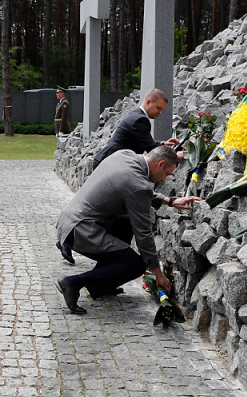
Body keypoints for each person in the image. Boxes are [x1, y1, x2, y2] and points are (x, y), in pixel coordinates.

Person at [55, 146, 200, 314]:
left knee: (126, 222)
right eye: (167, 174)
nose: (163, 179)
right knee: (136, 265)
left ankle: (103, 284)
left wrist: (170, 201)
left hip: (70, 219)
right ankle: (73, 283)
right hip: (80, 231)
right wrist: (157, 272)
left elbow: (134, 190)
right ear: (160, 164)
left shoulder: (126, 155)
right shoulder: (139, 185)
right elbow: (143, 233)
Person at [91, 88, 181, 170]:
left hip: (109, 161)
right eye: (158, 108)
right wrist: (175, 157)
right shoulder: (140, 120)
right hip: (107, 164)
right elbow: (151, 148)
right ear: (148, 102)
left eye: (162, 109)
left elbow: (145, 142)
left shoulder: (137, 115)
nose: (160, 113)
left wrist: (163, 144)